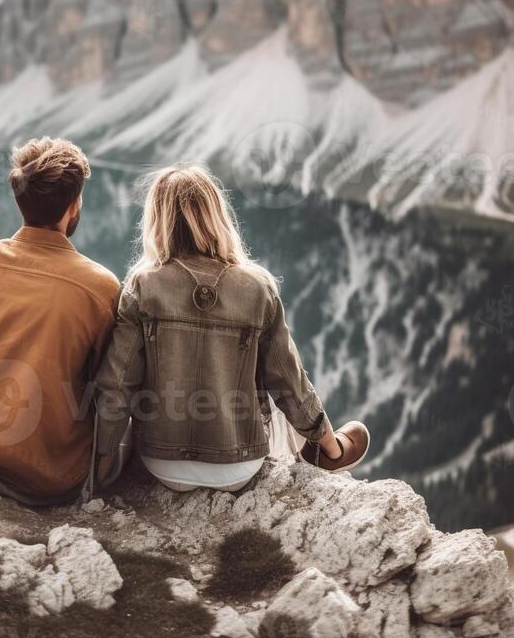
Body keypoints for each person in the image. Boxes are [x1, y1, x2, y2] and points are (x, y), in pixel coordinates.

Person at [94, 164, 370, 493]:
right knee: (274, 376)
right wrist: (333, 447)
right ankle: (324, 452)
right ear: (216, 216)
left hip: (161, 462)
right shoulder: (259, 286)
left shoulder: (142, 284)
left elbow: (118, 383)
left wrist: (104, 464)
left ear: (158, 221)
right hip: (238, 465)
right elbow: (290, 384)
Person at [0, 136, 123, 506]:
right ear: (74, 206)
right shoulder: (101, 288)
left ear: (19, 199)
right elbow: (105, 389)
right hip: (47, 473)